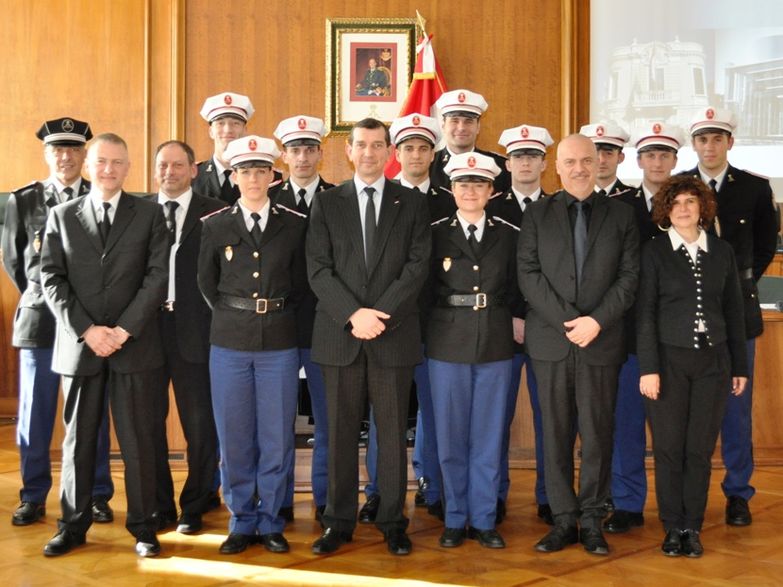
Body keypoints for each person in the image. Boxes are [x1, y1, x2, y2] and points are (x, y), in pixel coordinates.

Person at [39, 133, 170, 557]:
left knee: (140, 442)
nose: (109, 169)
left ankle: (144, 527)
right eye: (101, 161)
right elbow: (51, 279)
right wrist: (87, 330)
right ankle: (72, 526)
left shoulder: (150, 214)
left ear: (128, 167)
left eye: (117, 162)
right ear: (88, 165)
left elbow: (156, 277)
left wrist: (124, 329)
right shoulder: (61, 215)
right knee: (78, 442)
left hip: (134, 347)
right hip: (81, 348)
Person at [307, 118, 430, 556]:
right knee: (338, 433)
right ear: (349, 152)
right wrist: (353, 315)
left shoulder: (411, 203)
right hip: (341, 335)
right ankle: (338, 521)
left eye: (379, 145)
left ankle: (393, 520)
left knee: (393, 433)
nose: (371, 153)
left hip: (392, 335)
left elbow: (417, 267)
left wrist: (378, 316)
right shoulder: (327, 203)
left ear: (389, 151)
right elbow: (318, 269)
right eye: (362, 145)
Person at [518, 134, 639, 556]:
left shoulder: (622, 215)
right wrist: (571, 321)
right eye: (570, 161)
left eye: (588, 160)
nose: (580, 168)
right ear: (558, 166)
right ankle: (563, 519)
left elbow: (629, 278)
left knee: (597, 434)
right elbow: (529, 274)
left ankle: (592, 519)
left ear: (601, 161)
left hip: (601, 342)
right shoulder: (537, 214)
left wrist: (596, 321)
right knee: (554, 435)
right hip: (552, 341)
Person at [2, 118, 115, 527]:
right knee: (36, 413)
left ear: (85, 156)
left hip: (87, 326)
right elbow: (15, 262)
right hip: (41, 325)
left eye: (73, 150)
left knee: (92, 413)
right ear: (47, 155)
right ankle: (33, 495)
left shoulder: (98, 196)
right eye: (57, 150)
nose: (65, 157)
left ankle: (98, 493)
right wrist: (48, 299)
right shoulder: (24, 200)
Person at [197, 135, 307, 555]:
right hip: (229, 341)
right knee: (236, 435)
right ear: (234, 176)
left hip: (279, 340)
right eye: (245, 171)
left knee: (277, 436)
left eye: (261, 170)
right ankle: (242, 519)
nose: (254, 178)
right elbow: (207, 283)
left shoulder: (294, 224)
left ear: (272, 175)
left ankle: (272, 520)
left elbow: (300, 284)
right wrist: (238, 312)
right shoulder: (215, 225)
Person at [637, 175, 747, 557]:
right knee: (669, 448)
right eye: (676, 202)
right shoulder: (653, 252)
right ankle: (672, 526)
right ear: (666, 209)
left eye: (691, 201)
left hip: (713, 362)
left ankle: (692, 527)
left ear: (703, 208)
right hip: (667, 362)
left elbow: (733, 310)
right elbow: (645, 313)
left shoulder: (722, 251)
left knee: (699, 450)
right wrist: (648, 368)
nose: (684, 208)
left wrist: (739, 366)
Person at [681, 107, 778, 527]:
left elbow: (762, 248)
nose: (710, 146)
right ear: (694, 144)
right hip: (687, 315)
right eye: (702, 139)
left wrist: (735, 286)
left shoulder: (755, 189)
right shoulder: (679, 187)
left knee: (736, 409)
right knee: (690, 410)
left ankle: (738, 493)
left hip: (737, 312)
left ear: (730, 143)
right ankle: (689, 492)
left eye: (717, 138)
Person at [426, 151, 523, 550]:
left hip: (496, 341)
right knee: (450, 436)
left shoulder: (510, 233)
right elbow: (422, 290)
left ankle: (483, 519)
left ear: (491, 190)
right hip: (447, 341)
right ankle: (454, 518)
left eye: (478, 184)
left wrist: (518, 318)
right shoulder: (433, 234)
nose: (470, 191)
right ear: (452, 189)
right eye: (463, 184)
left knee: (488, 435)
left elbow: (520, 286)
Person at [360, 113, 445, 525]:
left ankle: (431, 481)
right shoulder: (381, 196)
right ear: (398, 154)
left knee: (433, 410)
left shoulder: (452, 197)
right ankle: (378, 489)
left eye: (423, 148)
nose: (415, 154)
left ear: (433, 154)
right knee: (385, 412)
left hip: (438, 324)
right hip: (386, 324)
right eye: (407, 147)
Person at [606, 123, 685, 535]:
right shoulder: (620, 205)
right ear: (638, 161)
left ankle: (679, 507)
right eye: (650, 155)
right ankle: (627, 502)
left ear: (676, 161)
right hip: (631, 333)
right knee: (628, 422)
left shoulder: (692, 206)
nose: (657, 162)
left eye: (665, 155)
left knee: (674, 426)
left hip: (677, 335)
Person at [149, 140, 225, 534]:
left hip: (196, 332)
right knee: (148, 425)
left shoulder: (215, 211)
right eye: (163, 165)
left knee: (200, 425)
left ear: (194, 170)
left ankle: (195, 504)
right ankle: (159, 504)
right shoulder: (139, 211)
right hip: (145, 334)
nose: (170, 172)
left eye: (178, 165)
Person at [489, 123, 555, 526]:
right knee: (497, 419)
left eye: (532, 156)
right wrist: (512, 316)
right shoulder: (490, 207)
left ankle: (550, 495)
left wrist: (540, 317)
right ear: (507, 163)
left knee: (553, 416)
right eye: (518, 156)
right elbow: (489, 273)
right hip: (502, 329)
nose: (525, 163)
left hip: (549, 329)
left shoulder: (558, 206)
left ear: (545, 163)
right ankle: (494, 494)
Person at [271, 115, 334, 523]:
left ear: (320, 154)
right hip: (276, 328)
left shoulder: (338, 199)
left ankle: (327, 498)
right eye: (295, 149)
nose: (303, 157)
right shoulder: (267, 198)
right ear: (284, 155)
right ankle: (278, 501)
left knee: (328, 418)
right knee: (276, 420)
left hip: (325, 326)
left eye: (310, 149)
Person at [429, 89, 511, 217]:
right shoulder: (429, 165)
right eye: (454, 120)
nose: (461, 128)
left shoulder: (501, 167)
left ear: (478, 127)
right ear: (443, 125)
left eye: (468, 121)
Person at [193, 91, 282, 204]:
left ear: (245, 131)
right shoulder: (193, 175)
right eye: (220, 123)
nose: (228, 130)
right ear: (211, 131)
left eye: (235, 123)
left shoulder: (271, 177)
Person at [579, 122, 633, 196]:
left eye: (608, 153)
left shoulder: (633, 199)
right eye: (595, 153)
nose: (601, 160)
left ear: (620, 157)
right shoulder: (574, 198)